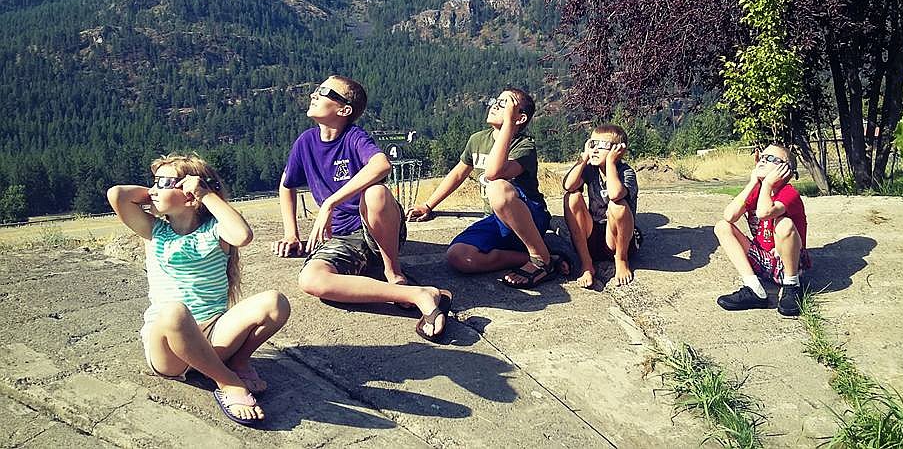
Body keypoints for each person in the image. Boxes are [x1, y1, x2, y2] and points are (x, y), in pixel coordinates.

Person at [107, 154, 290, 426]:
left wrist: (205, 193)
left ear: (191, 195)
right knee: (174, 312)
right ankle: (227, 381)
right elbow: (118, 195)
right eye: (154, 183)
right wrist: (162, 192)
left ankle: (238, 361)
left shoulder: (215, 230)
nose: (154, 189)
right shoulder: (154, 230)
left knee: (276, 302)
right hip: (169, 348)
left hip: (214, 335)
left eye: (165, 183)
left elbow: (243, 236)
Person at [273, 75, 452, 342]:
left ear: (344, 110)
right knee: (311, 281)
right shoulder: (306, 142)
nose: (314, 94)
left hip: (377, 229)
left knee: (376, 193)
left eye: (324, 92)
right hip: (344, 240)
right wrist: (291, 233)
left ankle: (393, 272)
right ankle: (418, 295)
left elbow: (381, 165)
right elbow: (287, 184)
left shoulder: (354, 137)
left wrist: (330, 203)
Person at [407, 87, 567, 287]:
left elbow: (493, 173)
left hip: (529, 219)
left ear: (520, 118)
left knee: (497, 188)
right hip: (495, 220)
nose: (494, 106)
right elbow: (458, 174)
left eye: (504, 104)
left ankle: (541, 259)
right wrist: (428, 205)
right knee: (459, 256)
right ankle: (540, 256)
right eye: (496, 101)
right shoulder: (478, 139)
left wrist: (508, 125)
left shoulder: (524, 146)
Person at [714, 144, 811, 316]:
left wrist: (766, 185)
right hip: (762, 260)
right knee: (722, 226)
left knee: (784, 224)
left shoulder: (789, 193)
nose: (763, 161)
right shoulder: (757, 191)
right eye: (762, 157)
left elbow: (764, 213)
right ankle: (754, 289)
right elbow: (729, 215)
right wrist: (753, 183)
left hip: (786, 262)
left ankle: (792, 285)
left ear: (785, 170)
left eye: (772, 159)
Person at [562, 124, 642, 288]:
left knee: (617, 206)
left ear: (617, 150)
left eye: (602, 146)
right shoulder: (590, 169)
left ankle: (621, 260)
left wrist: (611, 163)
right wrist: (583, 159)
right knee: (572, 197)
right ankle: (586, 264)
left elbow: (615, 194)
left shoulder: (626, 172)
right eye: (592, 144)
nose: (595, 150)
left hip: (617, 240)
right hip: (594, 236)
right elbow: (568, 185)